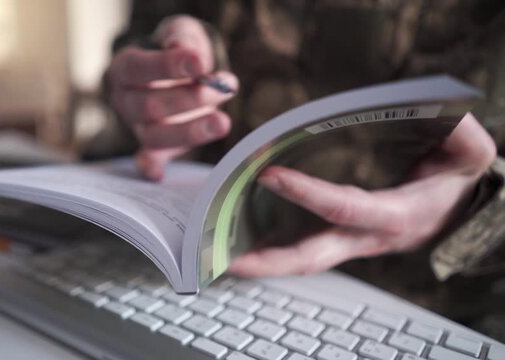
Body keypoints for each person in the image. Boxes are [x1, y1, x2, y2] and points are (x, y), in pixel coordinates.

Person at [101, 1, 505, 339]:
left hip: (440, 314)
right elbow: (137, 46)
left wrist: (477, 210)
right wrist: (156, 85)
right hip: (185, 269)